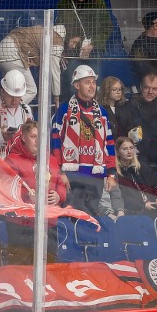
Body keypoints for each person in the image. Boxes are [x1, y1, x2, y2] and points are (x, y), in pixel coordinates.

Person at [51, 65, 116, 217]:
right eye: (87, 82)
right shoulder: (64, 110)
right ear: (76, 85)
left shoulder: (103, 112)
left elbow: (109, 143)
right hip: (71, 176)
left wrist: (112, 174)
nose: (92, 86)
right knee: (70, 216)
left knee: (91, 219)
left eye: (93, 82)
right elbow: (54, 143)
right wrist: (59, 172)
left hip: (96, 177)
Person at [4, 121, 67, 263]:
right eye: (33, 136)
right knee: (20, 269)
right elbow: (7, 189)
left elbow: (60, 184)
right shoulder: (12, 160)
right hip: (20, 224)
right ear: (24, 138)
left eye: (41, 136)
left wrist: (59, 196)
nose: (38, 141)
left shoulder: (51, 160)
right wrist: (25, 196)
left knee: (49, 266)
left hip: (48, 221)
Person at [118, 72, 157, 173]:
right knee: (142, 168)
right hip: (141, 149)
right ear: (141, 87)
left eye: (154, 89)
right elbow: (136, 135)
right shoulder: (131, 105)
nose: (150, 92)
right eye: (147, 88)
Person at [0, 23, 66, 105]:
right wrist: (56, 96)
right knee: (31, 90)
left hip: (0, 49)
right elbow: (54, 71)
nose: (73, 46)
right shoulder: (57, 42)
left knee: (11, 86)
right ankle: (12, 111)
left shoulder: (45, 31)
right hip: (12, 55)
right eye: (74, 42)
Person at [56, 0, 112, 77]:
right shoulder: (65, 2)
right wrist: (69, 40)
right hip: (72, 49)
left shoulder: (98, 2)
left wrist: (93, 44)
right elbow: (60, 27)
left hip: (94, 48)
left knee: (92, 78)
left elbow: (107, 27)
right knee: (71, 78)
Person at [113, 135, 157, 217]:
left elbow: (156, 183)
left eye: (131, 148)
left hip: (152, 205)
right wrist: (142, 205)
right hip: (133, 211)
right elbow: (122, 197)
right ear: (118, 152)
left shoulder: (143, 167)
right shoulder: (115, 172)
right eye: (125, 149)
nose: (129, 151)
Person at [99, 75, 128, 141]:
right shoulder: (101, 109)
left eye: (120, 89)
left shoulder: (123, 108)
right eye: (114, 90)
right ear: (106, 91)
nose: (118, 92)